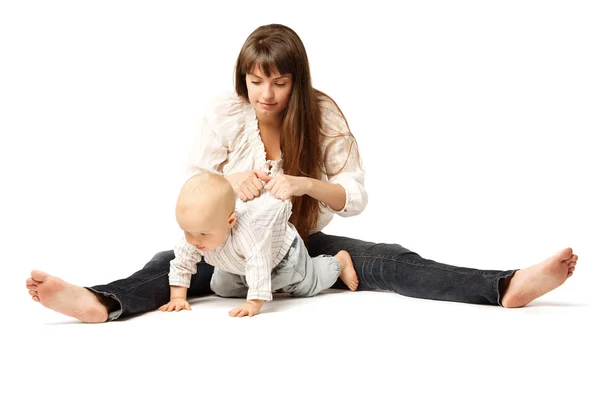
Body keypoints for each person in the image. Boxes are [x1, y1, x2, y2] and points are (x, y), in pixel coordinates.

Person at [26, 23, 578, 323]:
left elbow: (354, 194)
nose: (265, 95)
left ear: (296, 80)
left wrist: (304, 185)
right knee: (169, 265)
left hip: (299, 243)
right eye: (255, 80)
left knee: (389, 258)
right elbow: (194, 185)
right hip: (232, 243)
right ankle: (100, 302)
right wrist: (231, 184)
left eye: (278, 82)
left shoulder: (324, 114)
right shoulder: (224, 111)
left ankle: (503, 287)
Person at [158, 172, 358, 317]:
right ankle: (263, 286)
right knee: (221, 288)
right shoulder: (196, 234)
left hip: (282, 256)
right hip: (238, 264)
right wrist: (177, 297)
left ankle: (338, 263)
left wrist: (254, 302)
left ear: (230, 221)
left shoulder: (247, 234)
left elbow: (259, 263)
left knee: (305, 285)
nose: (194, 240)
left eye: (202, 233)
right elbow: (182, 261)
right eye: (186, 231)